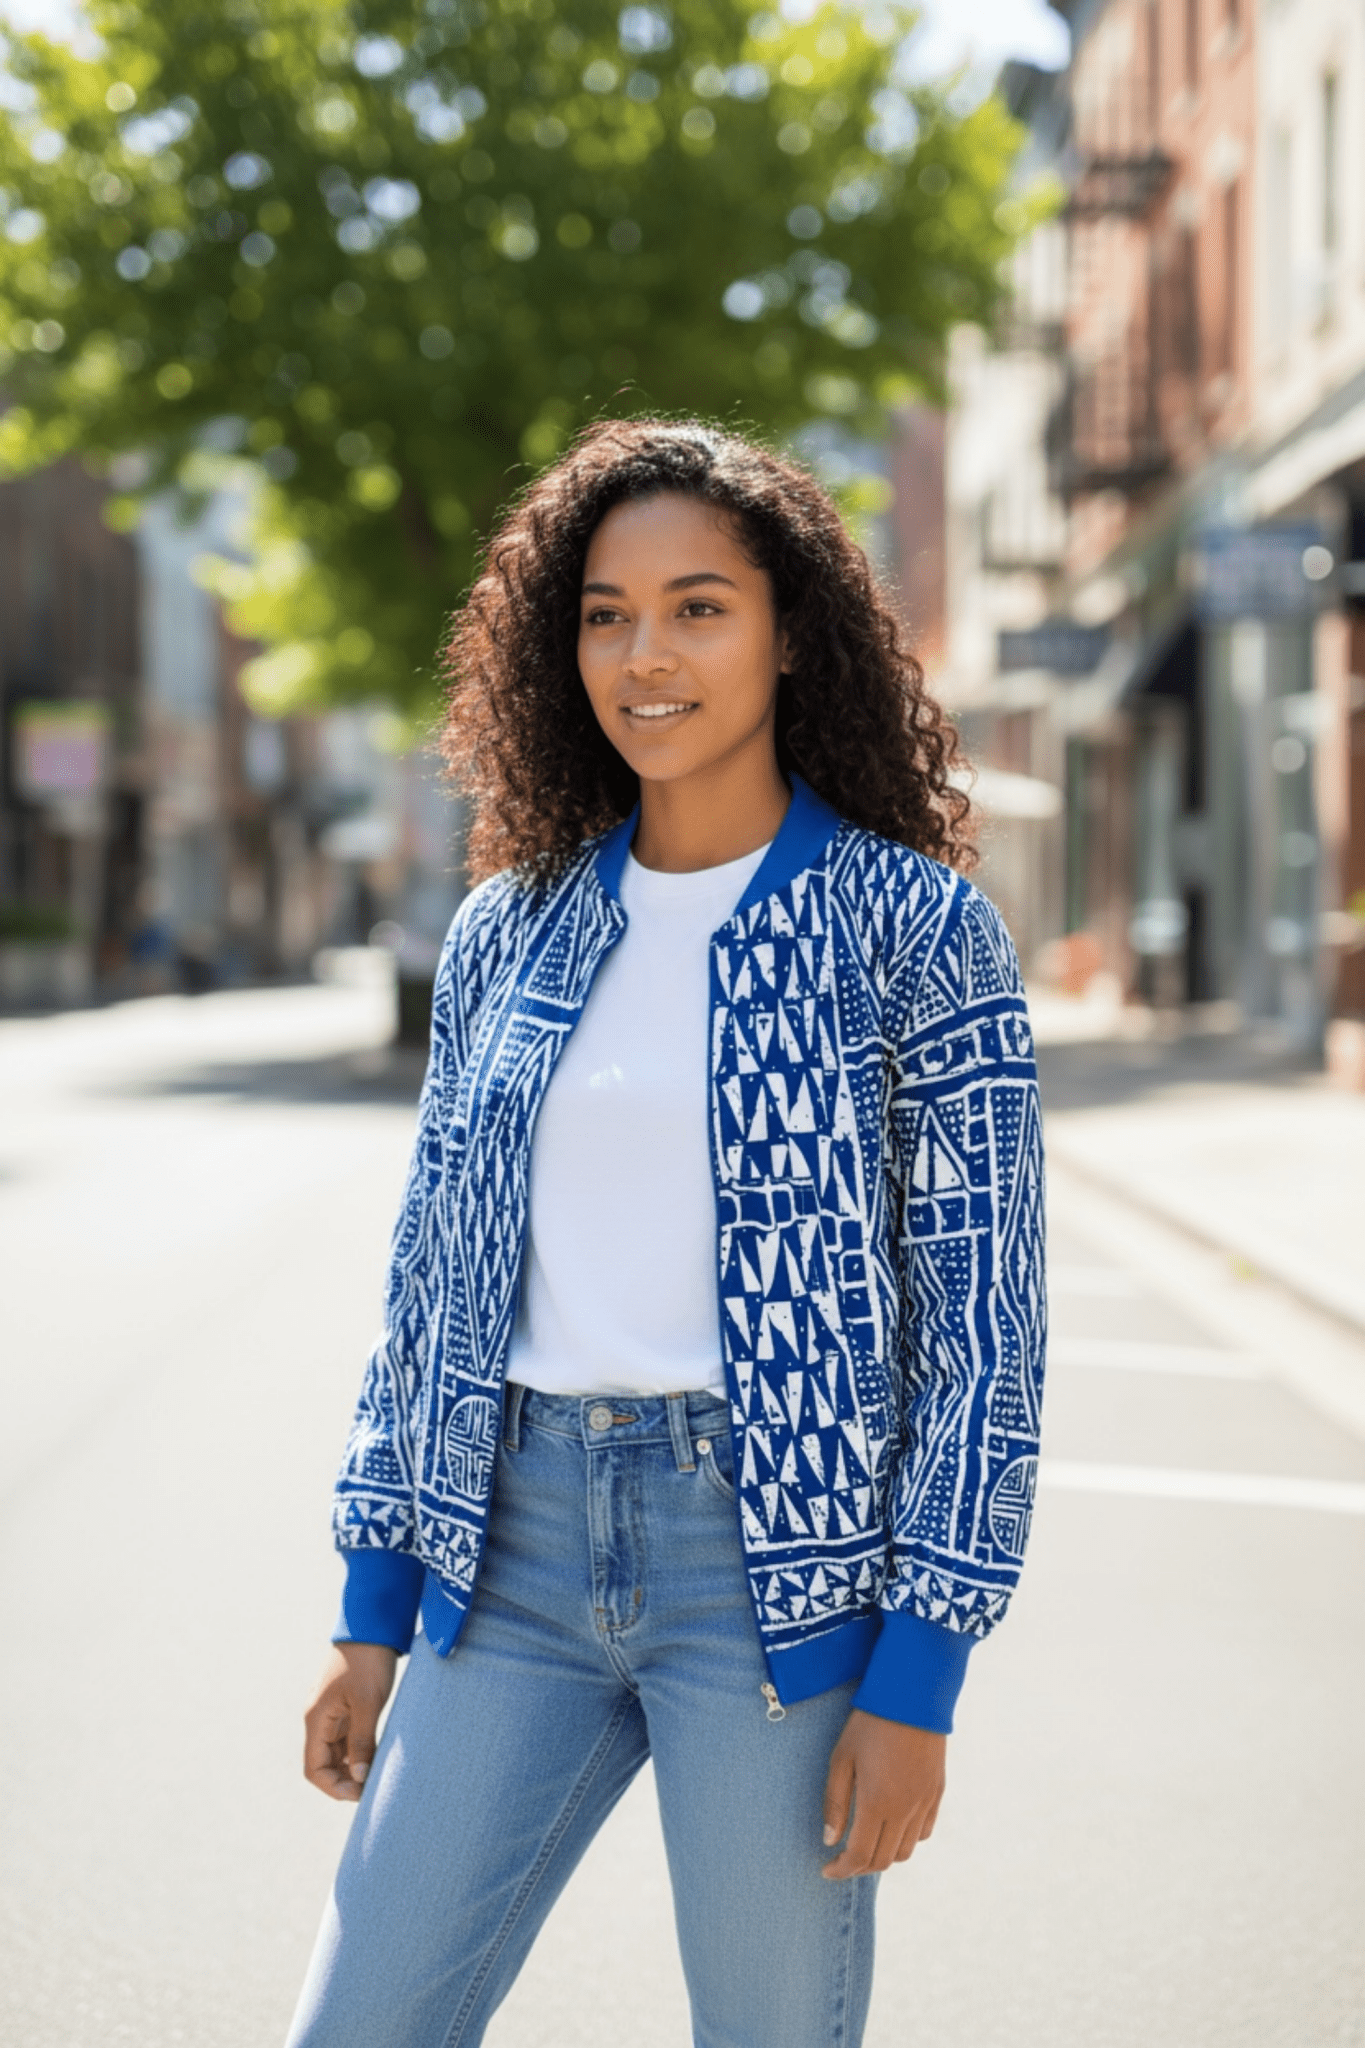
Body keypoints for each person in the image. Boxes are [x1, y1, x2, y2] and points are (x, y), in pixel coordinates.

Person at [286, 419, 1046, 2048]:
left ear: (789, 633)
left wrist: (918, 1680)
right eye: (605, 614)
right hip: (512, 1558)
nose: (646, 655)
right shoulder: (512, 928)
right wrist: (371, 1607)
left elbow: (989, 1332)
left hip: (777, 1579)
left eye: (700, 607)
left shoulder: (911, 929)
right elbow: (434, 1286)